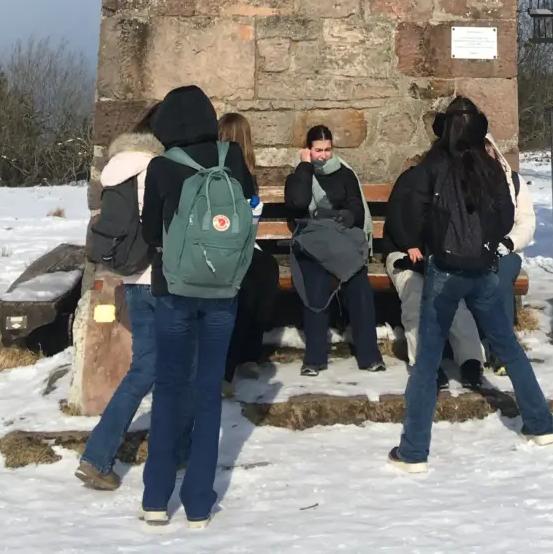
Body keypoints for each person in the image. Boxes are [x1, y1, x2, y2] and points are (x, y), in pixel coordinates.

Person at [388, 97, 553, 472]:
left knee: (428, 360)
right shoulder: (491, 168)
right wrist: (485, 246)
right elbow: (506, 216)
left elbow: (409, 216)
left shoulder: (431, 166)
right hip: (483, 270)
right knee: (508, 348)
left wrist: (429, 244)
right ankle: (540, 424)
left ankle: (414, 451)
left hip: (445, 272)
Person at [139, 86, 257, 528]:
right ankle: (199, 504)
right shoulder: (232, 158)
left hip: (173, 291)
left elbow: (151, 230)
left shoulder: (162, 166)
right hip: (223, 290)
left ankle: (155, 499)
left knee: (169, 390)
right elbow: (247, 207)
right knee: (208, 393)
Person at [76, 113, 163, 491]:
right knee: (157, 368)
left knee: (148, 368)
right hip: (157, 278)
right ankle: (100, 454)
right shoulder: (154, 167)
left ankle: (100, 455)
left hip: (129, 277)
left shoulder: (113, 168)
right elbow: (158, 224)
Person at [285, 124, 384, 376]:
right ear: (307, 150)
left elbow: (357, 209)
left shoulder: (345, 174)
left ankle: (369, 355)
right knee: (315, 284)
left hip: (341, 242)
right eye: (318, 150)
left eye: (328, 149)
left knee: (358, 283)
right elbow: (297, 205)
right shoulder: (299, 175)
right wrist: (306, 167)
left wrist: (347, 215)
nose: (324, 155)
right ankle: (314, 358)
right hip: (312, 242)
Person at [385, 148, 486, 390]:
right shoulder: (410, 181)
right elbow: (397, 219)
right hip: (403, 253)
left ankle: (471, 360)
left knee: (454, 297)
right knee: (415, 294)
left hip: (438, 258)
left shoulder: (453, 187)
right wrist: (411, 245)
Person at [217, 112, 280, 384]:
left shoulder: (244, 169)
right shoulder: (225, 166)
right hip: (221, 243)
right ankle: (228, 365)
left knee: (266, 271)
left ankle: (249, 353)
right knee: (249, 284)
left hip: (241, 241)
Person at [481, 131, 537, 373]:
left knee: (500, 277)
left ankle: (502, 352)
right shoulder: (462, 181)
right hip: (472, 251)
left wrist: (510, 242)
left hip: (506, 251)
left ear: (494, 149)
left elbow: (527, 221)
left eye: (487, 148)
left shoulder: (513, 181)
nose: (484, 154)